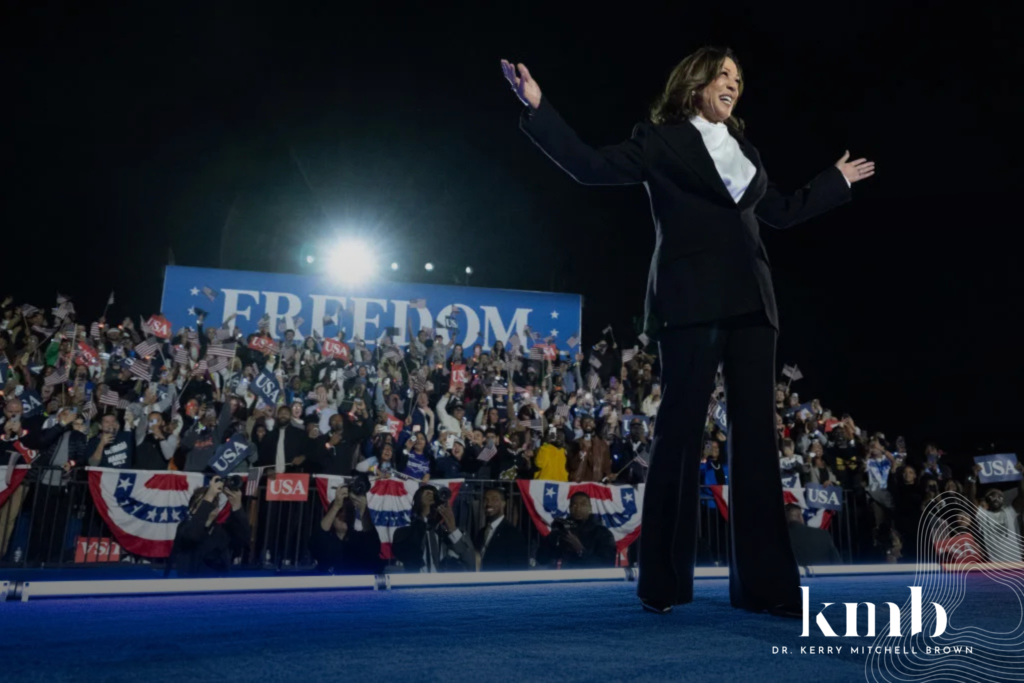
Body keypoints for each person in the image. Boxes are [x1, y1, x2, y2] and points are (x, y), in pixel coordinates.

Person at [501, 46, 874, 615]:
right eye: (724, 74)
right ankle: (665, 584)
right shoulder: (657, 139)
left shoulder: (746, 151)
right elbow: (590, 166)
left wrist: (834, 181)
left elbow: (781, 210)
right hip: (690, 300)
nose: (734, 83)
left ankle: (766, 587)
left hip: (754, 304)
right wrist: (538, 107)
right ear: (695, 82)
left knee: (756, 445)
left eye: (740, 78)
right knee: (678, 436)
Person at [170, 476, 250, 577]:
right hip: (191, 585)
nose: (211, 503)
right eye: (206, 502)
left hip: (219, 586)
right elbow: (193, 534)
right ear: (192, 509)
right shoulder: (184, 527)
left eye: (214, 501)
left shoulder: (222, 530)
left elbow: (243, 539)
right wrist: (209, 496)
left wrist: (237, 506)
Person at [392, 484, 475, 572]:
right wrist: (423, 517)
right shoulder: (403, 533)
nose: (432, 499)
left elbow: (471, 562)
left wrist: (452, 529)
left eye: (435, 496)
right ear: (417, 503)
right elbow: (408, 555)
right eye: (427, 495)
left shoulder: (450, 535)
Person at [309, 482, 382, 575]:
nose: (343, 515)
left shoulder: (360, 539)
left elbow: (373, 545)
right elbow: (317, 538)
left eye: (349, 511)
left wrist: (363, 508)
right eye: (340, 511)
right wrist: (336, 506)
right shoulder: (326, 540)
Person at [536, 492, 617, 568]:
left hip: (592, 581)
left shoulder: (603, 533)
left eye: (583, 504)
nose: (578, 508)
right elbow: (542, 560)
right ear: (570, 508)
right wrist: (552, 537)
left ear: (590, 508)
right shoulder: (563, 531)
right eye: (574, 505)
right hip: (566, 579)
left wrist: (580, 549)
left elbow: (607, 564)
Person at [473, 486, 528, 571]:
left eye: (494, 500)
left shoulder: (512, 534)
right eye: (486, 500)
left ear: (503, 503)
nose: (489, 503)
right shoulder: (481, 533)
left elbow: (519, 567)